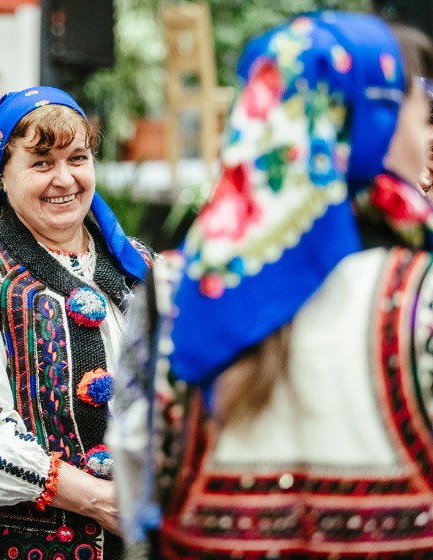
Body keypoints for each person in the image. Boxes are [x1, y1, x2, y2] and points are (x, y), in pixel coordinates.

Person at [108, 12, 433, 558]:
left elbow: (138, 501)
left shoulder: (172, 292)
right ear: (378, 119)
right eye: (422, 109)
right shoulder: (417, 294)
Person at [0, 85, 156, 559]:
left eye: (77, 158)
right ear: (1, 176)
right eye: (42, 162)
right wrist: (99, 499)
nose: (65, 179)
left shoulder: (141, 267)